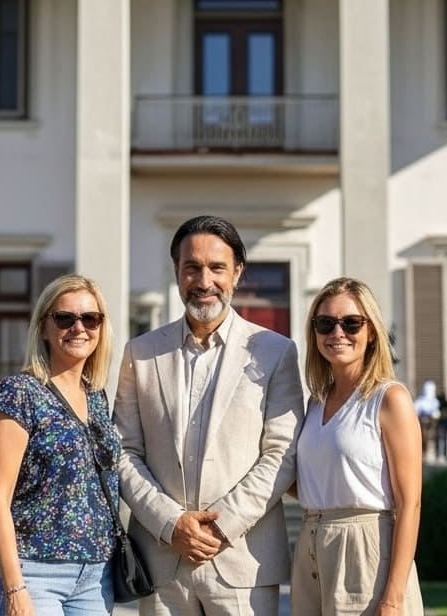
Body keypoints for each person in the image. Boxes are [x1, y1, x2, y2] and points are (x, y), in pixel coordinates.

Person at [113, 215, 305, 616]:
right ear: (177, 273)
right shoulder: (140, 353)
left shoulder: (275, 351)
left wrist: (222, 526)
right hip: (161, 560)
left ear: (237, 273)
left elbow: (282, 454)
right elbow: (124, 451)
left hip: (242, 559)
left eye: (217, 267)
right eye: (192, 267)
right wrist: (171, 523)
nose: (204, 281)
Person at [0, 274, 121, 616]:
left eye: (90, 318)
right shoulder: (19, 393)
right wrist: (15, 589)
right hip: (34, 571)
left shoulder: (97, 397)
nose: (79, 328)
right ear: (44, 327)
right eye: (65, 318)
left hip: (95, 575)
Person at [292, 277, 424, 616]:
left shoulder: (390, 399)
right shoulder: (315, 403)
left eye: (351, 323)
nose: (337, 333)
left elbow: (410, 504)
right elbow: (311, 478)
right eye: (325, 323)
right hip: (311, 544)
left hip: (365, 547)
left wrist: (392, 599)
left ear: (371, 332)